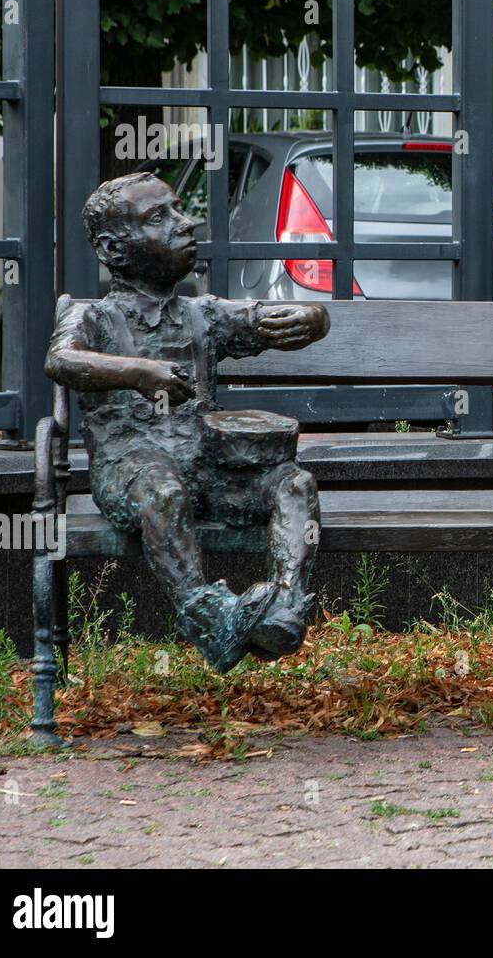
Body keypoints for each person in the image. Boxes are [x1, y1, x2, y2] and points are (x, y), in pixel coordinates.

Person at [45, 172, 331, 671]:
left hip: (207, 466)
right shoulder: (93, 317)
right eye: (160, 217)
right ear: (114, 249)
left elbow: (266, 315)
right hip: (133, 467)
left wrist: (311, 317)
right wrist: (138, 371)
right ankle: (207, 615)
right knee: (164, 493)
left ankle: (285, 604)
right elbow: (62, 361)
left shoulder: (204, 314)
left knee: (295, 483)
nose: (185, 222)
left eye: (179, 209)